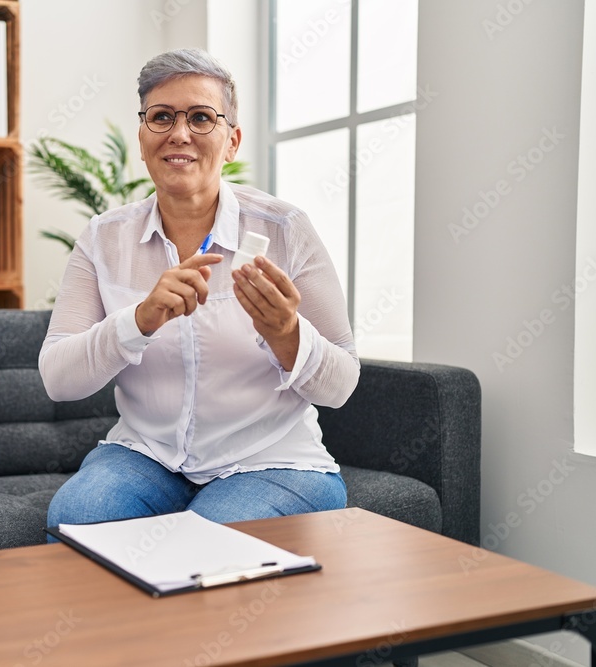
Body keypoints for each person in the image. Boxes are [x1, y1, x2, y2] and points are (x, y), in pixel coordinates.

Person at [39, 48, 359, 534]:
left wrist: (287, 333)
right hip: (147, 456)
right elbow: (58, 380)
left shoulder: (286, 229)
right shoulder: (104, 238)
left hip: (269, 459)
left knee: (206, 543)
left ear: (231, 141)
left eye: (201, 118)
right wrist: (139, 320)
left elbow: (342, 384)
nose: (179, 133)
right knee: (76, 520)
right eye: (162, 117)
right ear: (143, 136)